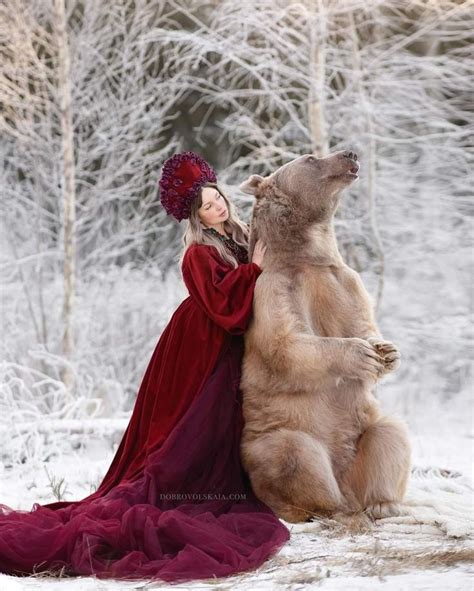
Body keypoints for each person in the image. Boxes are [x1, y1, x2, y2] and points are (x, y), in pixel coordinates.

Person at [0, 151, 290, 583]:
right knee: (195, 428)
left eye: (218, 198)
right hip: (200, 344)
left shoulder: (240, 235)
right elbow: (222, 304)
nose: (217, 207)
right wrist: (253, 270)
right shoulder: (197, 253)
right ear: (197, 217)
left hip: (219, 341)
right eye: (207, 205)